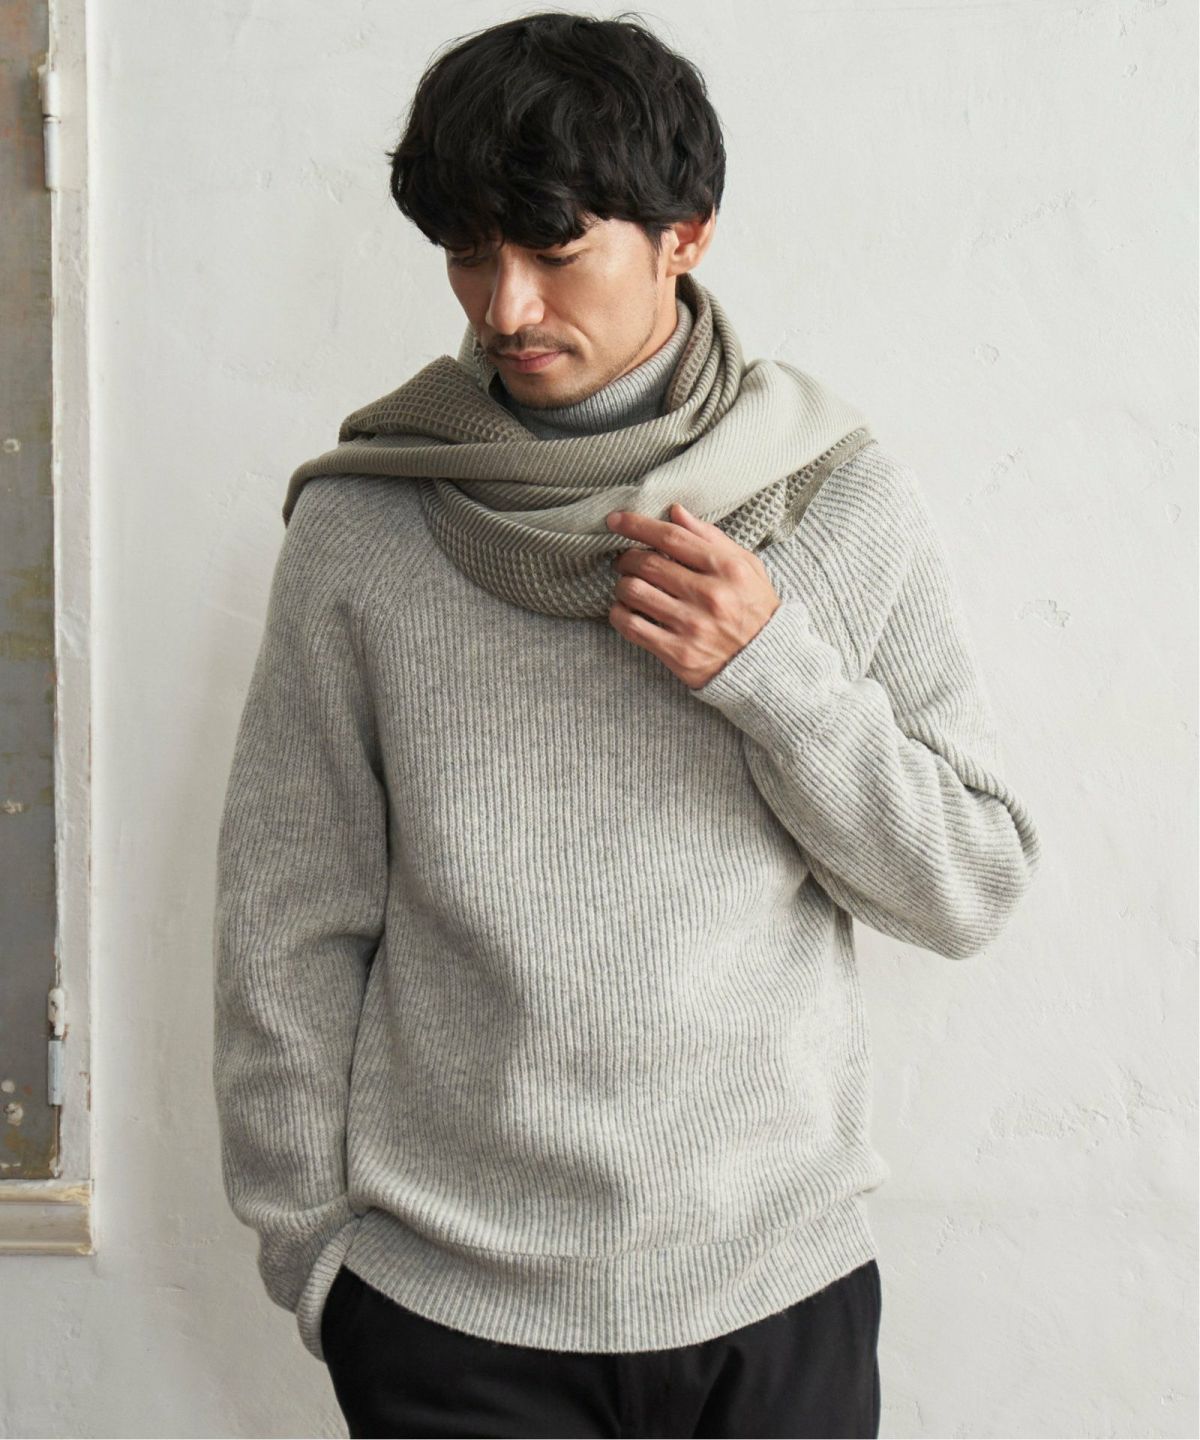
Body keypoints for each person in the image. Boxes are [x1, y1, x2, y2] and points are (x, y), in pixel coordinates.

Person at [211, 11, 1043, 1438]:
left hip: (773, 1298)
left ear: (684, 236)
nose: (505, 307)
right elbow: (289, 917)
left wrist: (770, 673)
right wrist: (319, 1266)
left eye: (554, 250)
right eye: (469, 253)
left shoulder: (830, 498)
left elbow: (968, 885)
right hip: (447, 1319)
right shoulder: (369, 526)